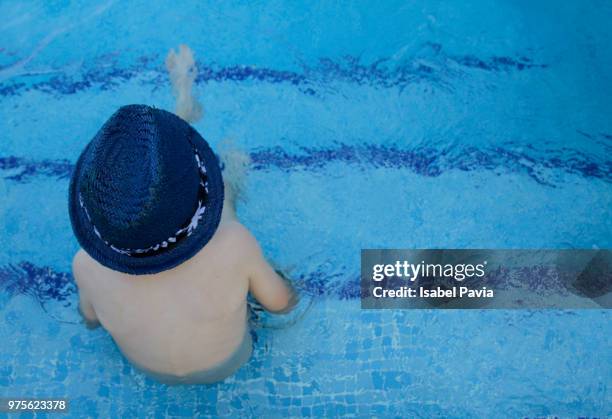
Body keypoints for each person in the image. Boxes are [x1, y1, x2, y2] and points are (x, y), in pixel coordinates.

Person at [69, 101, 296, 385]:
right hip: (228, 366)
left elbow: (90, 320)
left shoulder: (84, 265)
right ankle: (226, 177)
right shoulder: (234, 245)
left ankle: (183, 118)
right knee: (227, 213)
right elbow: (281, 304)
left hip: (148, 372)